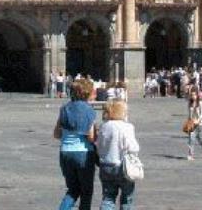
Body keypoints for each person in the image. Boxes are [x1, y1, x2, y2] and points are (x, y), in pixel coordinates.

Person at [54, 78, 98, 210]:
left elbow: (56, 134)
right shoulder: (89, 110)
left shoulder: (64, 108)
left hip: (65, 153)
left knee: (73, 189)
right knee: (86, 191)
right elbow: (90, 137)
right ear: (87, 92)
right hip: (83, 154)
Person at [94, 100, 139, 210]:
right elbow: (133, 147)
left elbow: (98, 146)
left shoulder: (104, 126)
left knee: (108, 198)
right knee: (127, 198)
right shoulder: (127, 127)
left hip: (106, 165)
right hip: (122, 166)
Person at [185, 87, 202, 160]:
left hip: (200, 124)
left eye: (194, 95)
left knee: (201, 139)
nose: (193, 96)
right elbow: (189, 113)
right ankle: (190, 155)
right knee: (191, 139)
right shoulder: (190, 103)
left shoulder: (201, 103)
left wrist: (198, 121)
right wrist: (189, 121)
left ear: (197, 95)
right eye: (192, 95)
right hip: (192, 123)